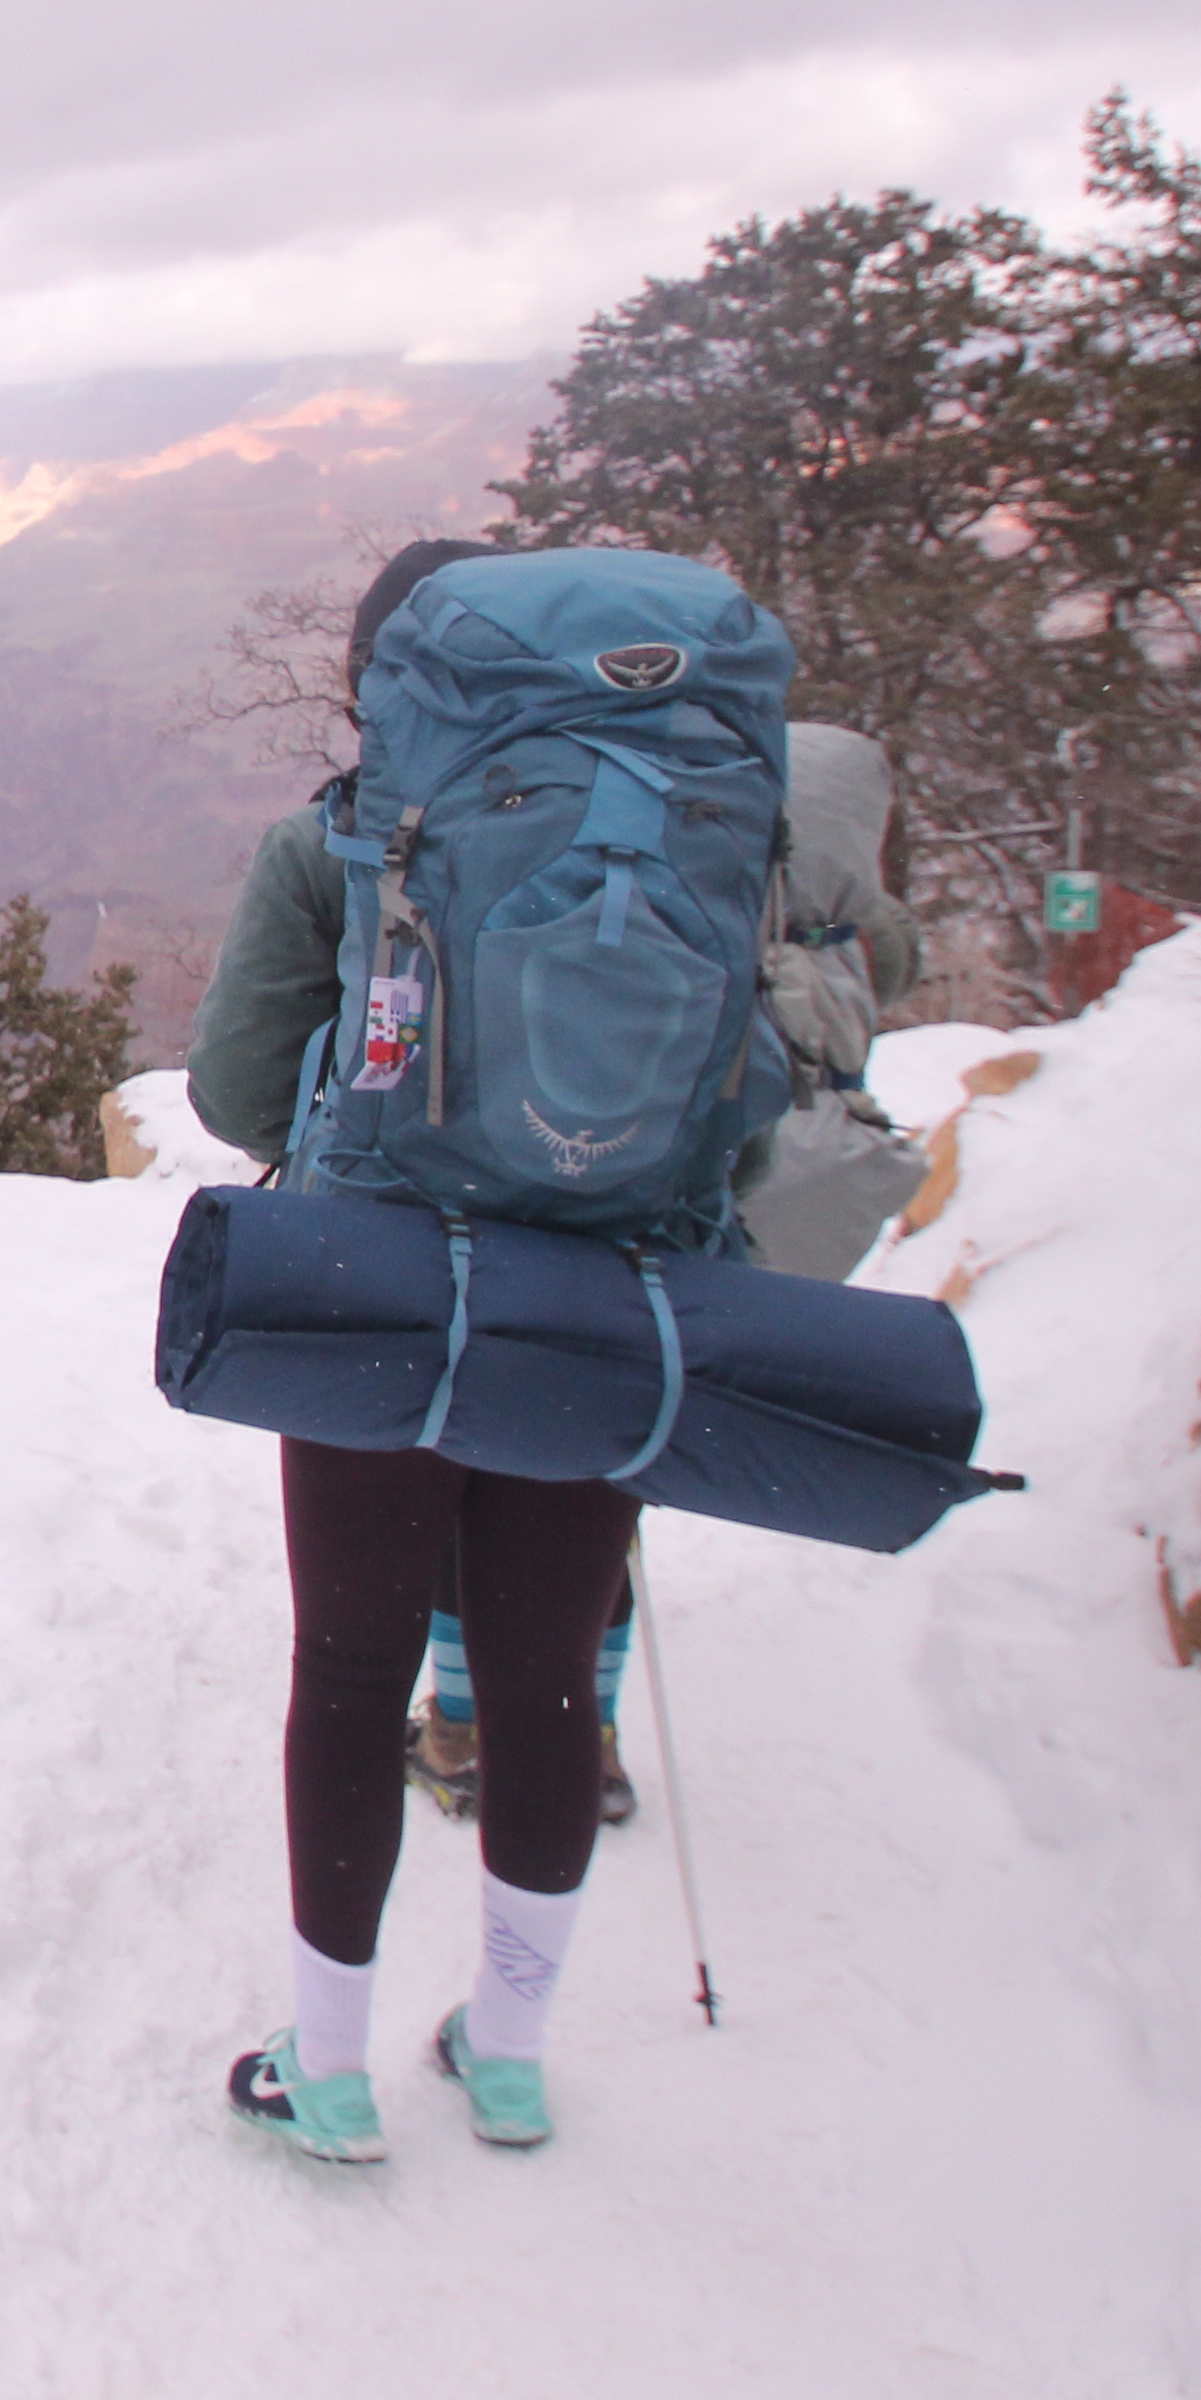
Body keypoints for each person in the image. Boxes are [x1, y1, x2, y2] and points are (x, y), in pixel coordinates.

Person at [181, 536, 789, 2164]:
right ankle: (505, 2055)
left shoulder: (334, 845)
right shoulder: (696, 824)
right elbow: (743, 1107)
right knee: (534, 1681)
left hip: (378, 1293)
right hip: (598, 1305)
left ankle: (326, 2070)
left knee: (350, 1672)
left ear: (385, 688)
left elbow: (235, 1096)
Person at [397, 712, 925, 1826]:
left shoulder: (628, 818)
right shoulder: (819, 884)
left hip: (552, 1175)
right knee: (604, 1475)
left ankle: (459, 1725)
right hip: (690, 1209)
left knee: (476, 1457)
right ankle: (586, 1734)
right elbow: (900, 963)